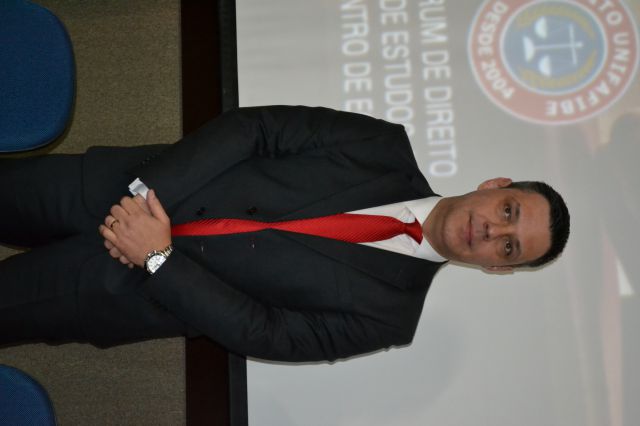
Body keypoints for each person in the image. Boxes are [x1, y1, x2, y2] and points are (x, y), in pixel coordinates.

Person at [0, 106, 570, 362]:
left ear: (497, 267)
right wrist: (145, 198)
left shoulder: (389, 318)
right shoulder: (380, 146)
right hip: (114, 188)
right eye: (508, 210)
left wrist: (157, 258)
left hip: (122, 291)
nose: (491, 229)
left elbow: (264, 333)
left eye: (508, 246)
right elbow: (256, 130)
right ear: (495, 185)